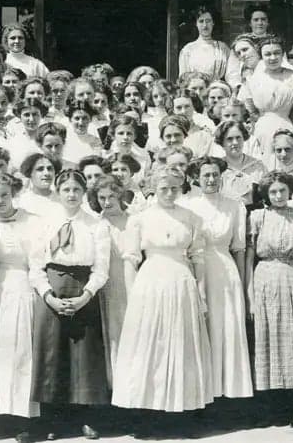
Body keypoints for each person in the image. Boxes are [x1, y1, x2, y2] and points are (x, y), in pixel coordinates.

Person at [112, 167, 213, 417]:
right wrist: (133, 293)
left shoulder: (191, 218)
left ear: (181, 189)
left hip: (181, 282)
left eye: (174, 189)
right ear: (153, 189)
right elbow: (131, 259)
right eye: (163, 189)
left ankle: (181, 412)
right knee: (151, 345)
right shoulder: (140, 218)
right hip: (150, 283)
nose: (169, 193)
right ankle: (149, 414)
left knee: (182, 344)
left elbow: (198, 258)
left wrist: (201, 293)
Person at [28, 169, 111, 440]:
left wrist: (85, 297)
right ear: (58, 191)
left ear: (84, 191)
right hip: (51, 289)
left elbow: (101, 269)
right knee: (52, 356)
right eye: (66, 190)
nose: (71, 195)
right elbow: (35, 265)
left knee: (83, 358)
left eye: (76, 189)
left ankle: (85, 419)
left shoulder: (96, 224)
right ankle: (53, 421)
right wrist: (48, 296)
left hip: (83, 290)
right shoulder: (45, 222)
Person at [246, 171, 293, 423]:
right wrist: (250, 296)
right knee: (266, 340)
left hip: (291, 279)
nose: (277, 196)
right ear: (266, 194)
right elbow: (249, 259)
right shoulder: (257, 217)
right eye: (273, 192)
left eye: (282, 191)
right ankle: (269, 409)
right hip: (264, 279)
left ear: (290, 192)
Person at [184, 157, 253, 400]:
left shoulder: (235, 206)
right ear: (197, 178)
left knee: (227, 328)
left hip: (226, 272)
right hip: (196, 271)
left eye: (215, 175)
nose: (211, 180)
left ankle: (230, 394)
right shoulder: (188, 205)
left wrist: (246, 290)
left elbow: (240, 249)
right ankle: (203, 393)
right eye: (206, 175)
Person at [0, 173, 41, 439]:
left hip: (26, 285)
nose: (0, 200)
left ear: (13, 193)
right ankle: (1, 414)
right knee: (0, 352)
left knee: (23, 352)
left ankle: (24, 417)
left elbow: (39, 260)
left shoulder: (32, 221)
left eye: (4, 195)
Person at [87, 175, 130, 383]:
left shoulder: (134, 220)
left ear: (120, 195)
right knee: (112, 330)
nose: (107, 202)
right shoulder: (96, 224)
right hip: (108, 283)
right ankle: (116, 382)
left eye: (111, 196)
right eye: (102, 197)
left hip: (131, 280)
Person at [240, 36, 293, 164]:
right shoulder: (254, 77)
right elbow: (249, 104)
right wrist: (258, 120)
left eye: (276, 53)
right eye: (267, 54)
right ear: (261, 56)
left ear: (283, 54)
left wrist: (287, 122)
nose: (272, 58)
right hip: (261, 127)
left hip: (286, 125)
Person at [216, 121, 266, 209]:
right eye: (229, 139)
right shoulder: (217, 167)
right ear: (222, 142)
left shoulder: (258, 166)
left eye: (238, 138)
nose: (235, 142)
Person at [178, 5, 230, 81]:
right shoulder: (188, 49)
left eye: (208, 21)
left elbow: (231, 74)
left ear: (213, 23)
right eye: (201, 21)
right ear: (196, 24)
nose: (205, 25)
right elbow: (183, 78)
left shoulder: (223, 48)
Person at [2, 98, 48, 170]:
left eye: (35, 114)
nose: (31, 119)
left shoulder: (48, 140)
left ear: (41, 115)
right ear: (20, 117)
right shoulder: (14, 140)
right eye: (26, 115)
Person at [17, 152, 64, 218]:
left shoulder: (62, 200)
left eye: (50, 169)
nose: (46, 173)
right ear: (30, 173)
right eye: (40, 169)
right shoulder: (22, 202)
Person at [64, 99, 101, 164]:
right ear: (70, 119)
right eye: (77, 118)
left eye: (84, 118)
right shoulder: (63, 139)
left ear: (90, 120)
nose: (81, 123)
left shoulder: (96, 141)